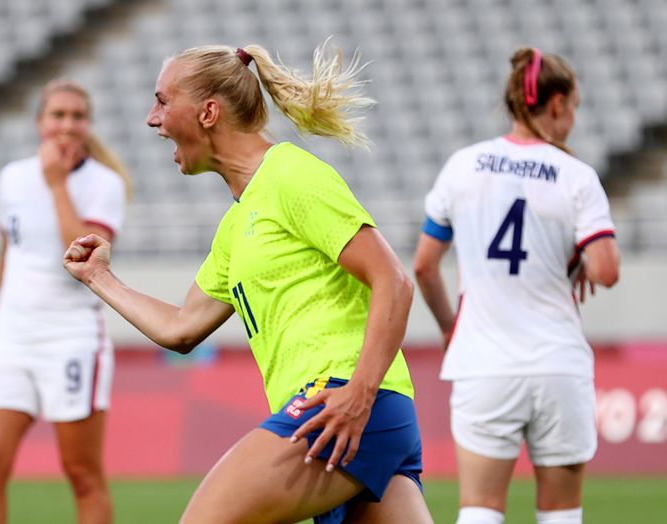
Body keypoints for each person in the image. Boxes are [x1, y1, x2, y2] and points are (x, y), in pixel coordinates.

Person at [63, 42, 433, 524]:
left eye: (162, 101)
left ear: (208, 112)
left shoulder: (291, 175)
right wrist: (100, 277)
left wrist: (358, 394)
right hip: (357, 414)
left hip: (347, 403)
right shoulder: (236, 226)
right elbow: (181, 327)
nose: (152, 119)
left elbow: (394, 281)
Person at [413, 48, 620, 524]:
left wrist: (451, 329)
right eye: (574, 109)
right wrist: (583, 263)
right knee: (562, 515)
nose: (572, 120)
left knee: (480, 511)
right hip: (557, 364)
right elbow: (606, 270)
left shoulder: (463, 166)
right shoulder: (576, 176)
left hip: (484, 364)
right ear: (556, 105)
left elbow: (425, 266)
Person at [0, 79, 131, 524]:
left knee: (81, 472)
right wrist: (2, 315)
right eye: (57, 114)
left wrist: (57, 184)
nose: (67, 124)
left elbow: (82, 261)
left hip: (71, 337)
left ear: (88, 125)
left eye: (77, 116)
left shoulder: (104, 184)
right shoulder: (11, 178)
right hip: (12, 337)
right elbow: (9, 253)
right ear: (40, 122)